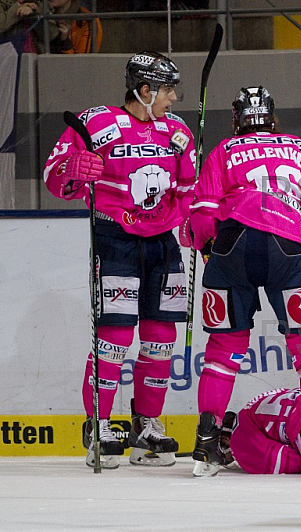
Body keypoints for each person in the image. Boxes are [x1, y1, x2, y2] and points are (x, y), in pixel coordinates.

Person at [43, 51, 195, 469]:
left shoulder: (178, 131)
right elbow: (54, 178)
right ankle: (100, 425)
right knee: (114, 337)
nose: (174, 98)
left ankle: (147, 425)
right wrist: (73, 169)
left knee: (161, 338)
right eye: (167, 90)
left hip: (163, 243)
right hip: (115, 238)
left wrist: (190, 219)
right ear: (144, 91)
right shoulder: (96, 123)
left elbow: (187, 186)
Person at [188, 86, 301, 478]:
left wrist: (205, 246)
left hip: (232, 244)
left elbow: (202, 217)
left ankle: (206, 444)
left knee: (224, 350)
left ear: (237, 119)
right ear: (273, 118)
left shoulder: (223, 151)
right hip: (289, 245)